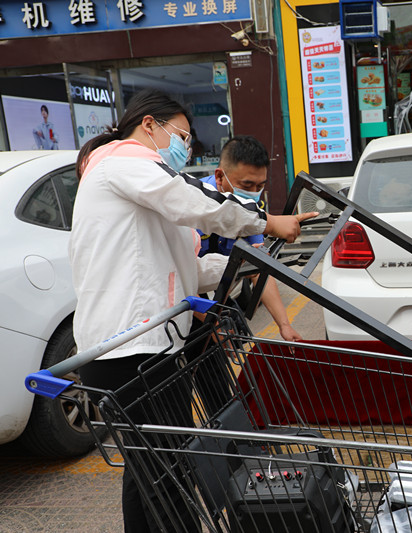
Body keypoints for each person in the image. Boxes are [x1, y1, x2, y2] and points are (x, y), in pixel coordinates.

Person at [70, 88, 316, 532]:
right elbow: (194, 205)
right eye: (182, 134)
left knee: (152, 471)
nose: (186, 145)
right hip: (129, 351)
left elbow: (188, 268)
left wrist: (250, 263)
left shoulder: (139, 181)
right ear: (150, 125)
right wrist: (264, 222)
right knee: (170, 473)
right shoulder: (123, 163)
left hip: (146, 348)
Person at [197, 135, 302, 341]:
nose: (254, 194)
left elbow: (256, 269)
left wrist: (284, 325)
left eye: (260, 186)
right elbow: (176, 278)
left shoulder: (250, 213)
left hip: (216, 297)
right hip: (177, 308)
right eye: (246, 185)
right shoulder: (192, 205)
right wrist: (212, 324)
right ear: (220, 177)